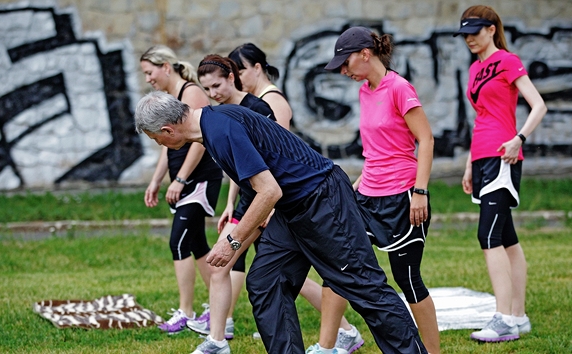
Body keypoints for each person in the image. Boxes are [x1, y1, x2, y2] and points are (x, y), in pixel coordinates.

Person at [134, 91, 427, 354]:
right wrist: (238, 228)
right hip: (291, 209)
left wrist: (233, 240)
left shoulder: (220, 128)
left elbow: (269, 190)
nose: (159, 143)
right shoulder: (212, 126)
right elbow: (258, 186)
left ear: (167, 130)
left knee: (364, 287)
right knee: (266, 281)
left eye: (155, 138)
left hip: (321, 200)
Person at [229, 43, 364, 354]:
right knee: (277, 275)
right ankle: (331, 331)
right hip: (267, 200)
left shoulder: (273, 103)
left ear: (257, 68)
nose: (236, 79)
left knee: (298, 273)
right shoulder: (254, 103)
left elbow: (277, 158)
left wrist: (268, 208)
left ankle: (342, 331)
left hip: (283, 202)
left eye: (240, 71)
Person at [322, 26, 440, 354]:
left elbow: (426, 140)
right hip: (368, 195)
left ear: (365, 54)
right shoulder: (365, 90)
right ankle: (326, 346)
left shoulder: (399, 88)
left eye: (345, 64)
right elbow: (377, 148)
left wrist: (421, 191)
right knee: (340, 266)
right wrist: (358, 184)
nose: (343, 71)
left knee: (407, 279)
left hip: (402, 197)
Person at [453, 5, 547, 342]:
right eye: (465, 34)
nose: (469, 39)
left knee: (489, 236)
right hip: (481, 159)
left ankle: (504, 318)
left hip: (503, 158)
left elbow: (538, 104)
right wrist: (468, 165)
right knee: (507, 238)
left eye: (475, 32)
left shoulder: (507, 60)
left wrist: (518, 139)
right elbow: (481, 117)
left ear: (492, 29)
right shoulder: (475, 68)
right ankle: (518, 316)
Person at [186, 54, 274, 353]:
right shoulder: (218, 113)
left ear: (232, 76)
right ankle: (217, 339)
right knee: (221, 268)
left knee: (278, 274)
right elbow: (238, 166)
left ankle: (343, 330)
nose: (213, 93)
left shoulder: (258, 108)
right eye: (207, 89)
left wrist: (270, 208)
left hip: (265, 202)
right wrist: (229, 204)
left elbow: (271, 162)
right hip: (247, 202)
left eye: (217, 85)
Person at [139, 45, 221, 334]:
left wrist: (181, 179)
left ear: (166, 66)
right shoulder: (171, 100)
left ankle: (187, 311)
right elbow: (167, 146)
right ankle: (219, 308)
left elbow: (200, 140)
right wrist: (157, 180)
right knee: (197, 244)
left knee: (179, 241)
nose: (148, 78)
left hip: (199, 181)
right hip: (184, 181)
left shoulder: (192, 93)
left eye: (150, 72)